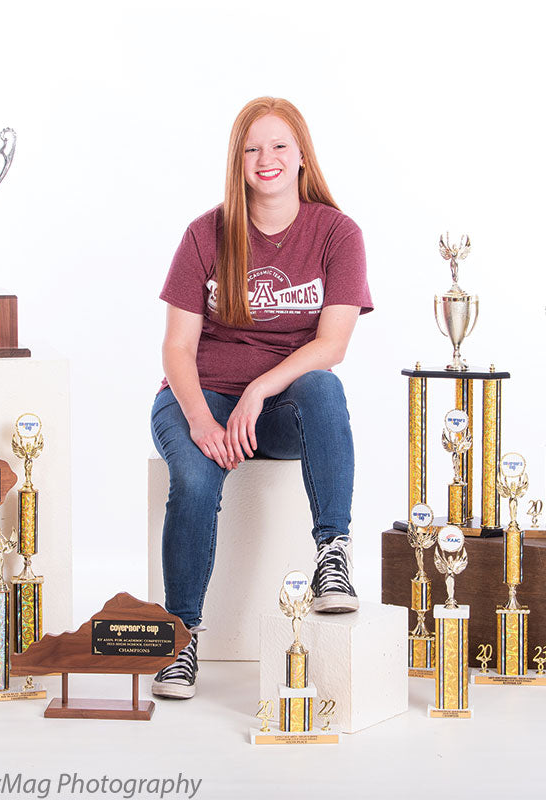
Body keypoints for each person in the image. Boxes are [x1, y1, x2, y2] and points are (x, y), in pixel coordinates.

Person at [150, 97, 373, 699]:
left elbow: (332, 344)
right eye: (251, 148)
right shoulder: (206, 234)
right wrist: (200, 418)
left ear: (302, 155)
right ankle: (181, 637)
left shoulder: (336, 233)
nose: (265, 158)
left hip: (277, 405)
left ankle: (332, 555)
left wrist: (258, 389)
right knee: (195, 479)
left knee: (323, 388)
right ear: (237, 160)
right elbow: (176, 349)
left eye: (278, 145)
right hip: (198, 393)